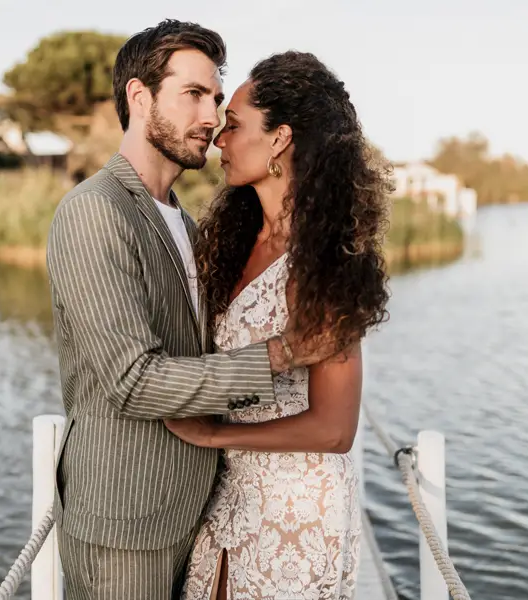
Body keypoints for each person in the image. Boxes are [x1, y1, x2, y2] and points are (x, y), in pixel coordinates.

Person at [44, 20, 336, 600]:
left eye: (217, 98)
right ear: (138, 96)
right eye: (193, 94)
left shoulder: (186, 222)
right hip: (124, 531)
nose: (211, 116)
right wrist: (280, 354)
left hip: (196, 522)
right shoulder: (94, 212)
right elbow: (132, 380)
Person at [163, 50, 392, 599]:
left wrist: (215, 434)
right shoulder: (233, 243)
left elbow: (335, 430)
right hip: (229, 498)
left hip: (297, 511)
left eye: (234, 125)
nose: (219, 138)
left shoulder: (325, 258)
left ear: (280, 139)